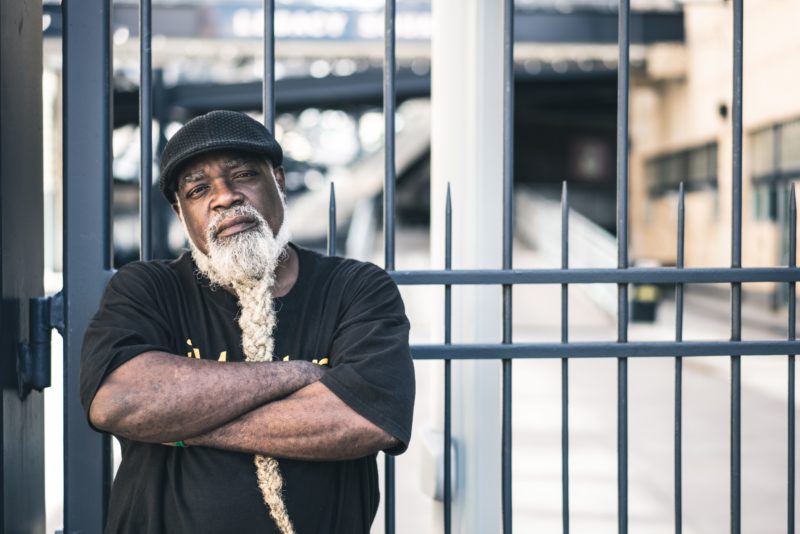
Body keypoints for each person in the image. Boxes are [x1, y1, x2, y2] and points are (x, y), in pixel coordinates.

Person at [80, 110, 415, 534]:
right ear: (180, 213)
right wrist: (298, 374)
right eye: (199, 189)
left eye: (243, 176)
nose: (225, 197)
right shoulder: (148, 288)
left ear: (278, 181)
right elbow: (120, 400)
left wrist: (180, 424)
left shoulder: (356, 288)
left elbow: (364, 420)